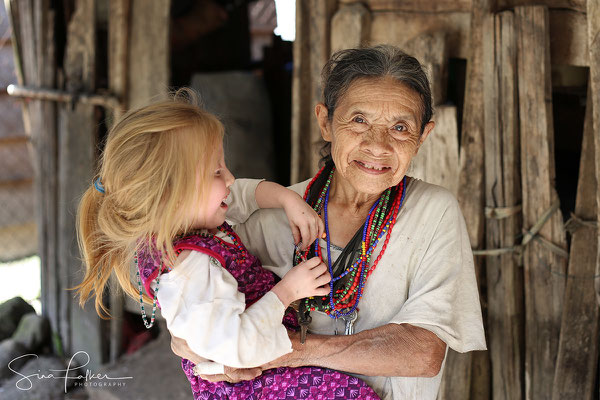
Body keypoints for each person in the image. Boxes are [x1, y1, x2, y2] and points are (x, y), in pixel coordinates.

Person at [170, 45, 487, 399]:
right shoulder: (268, 218)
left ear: (423, 136)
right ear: (326, 122)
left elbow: (423, 353)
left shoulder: (434, 212)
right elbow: (192, 320)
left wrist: (285, 349)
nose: (378, 145)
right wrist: (198, 345)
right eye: (359, 120)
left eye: (400, 127)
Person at [75, 90, 382, 400]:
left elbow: (243, 194)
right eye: (216, 171)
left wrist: (288, 199)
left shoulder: (181, 220)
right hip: (251, 385)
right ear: (171, 194)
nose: (231, 178)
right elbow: (239, 347)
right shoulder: (190, 268)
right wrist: (290, 291)